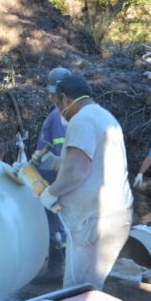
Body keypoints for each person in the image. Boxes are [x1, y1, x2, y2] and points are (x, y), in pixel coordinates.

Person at [36, 73, 133, 289]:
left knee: (76, 292)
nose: (59, 110)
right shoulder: (103, 116)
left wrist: (52, 192)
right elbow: (91, 161)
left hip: (94, 222)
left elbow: (78, 169)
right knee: (90, 288)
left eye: (58, 103)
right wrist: (55, 162)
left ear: (67, 99)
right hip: (114, 215)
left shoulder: (82, 120)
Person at [30, 67, 70, 279]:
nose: (50, 95)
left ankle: (56, 269)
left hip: (52, 181)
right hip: (57, 179)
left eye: (52, 92)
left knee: (55, 226)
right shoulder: (65, 115)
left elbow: (59, 150)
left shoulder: (58, 117)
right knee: (58, 225)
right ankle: (58, 268)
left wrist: (44, 161)